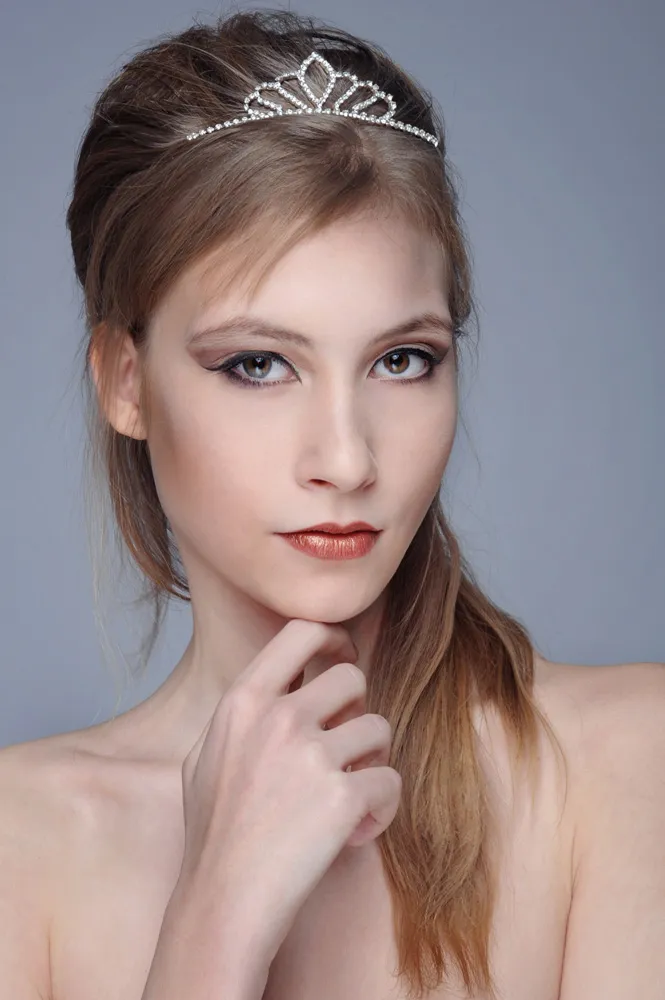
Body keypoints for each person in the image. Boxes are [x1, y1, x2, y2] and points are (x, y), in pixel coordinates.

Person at [1, 8, 663, 1000]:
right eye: (257, 364)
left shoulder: (627, 760)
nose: (347, 460)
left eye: (402, 360)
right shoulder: (20, 843)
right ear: (124, 380)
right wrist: (214, 920)